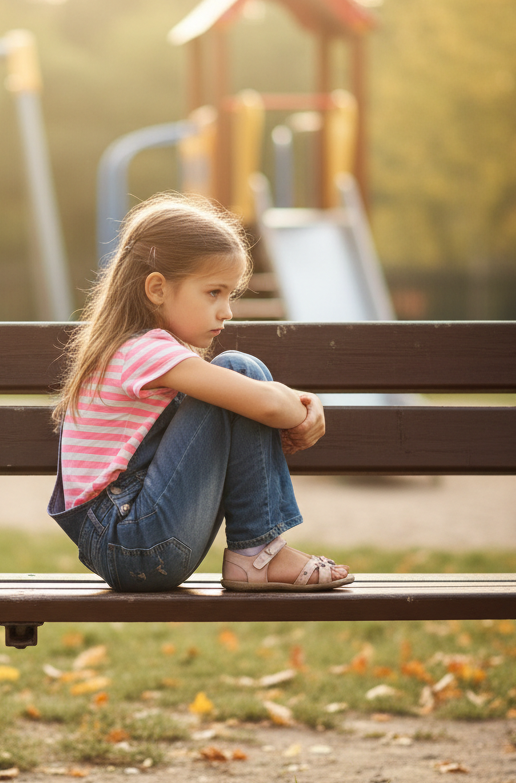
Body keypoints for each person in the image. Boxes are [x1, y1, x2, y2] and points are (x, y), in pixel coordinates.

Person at [48, 192, 353, 594]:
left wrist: (291, 401)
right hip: (133, 540)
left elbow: (259, 400)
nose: (226, 310)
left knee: (240, 380)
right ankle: (258, 551)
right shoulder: (143, 351)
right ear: (157, 289)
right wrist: (301, 407)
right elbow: (262, 402)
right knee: (238, 370)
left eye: (230, 295)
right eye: (214, 292)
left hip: (131, 542)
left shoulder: (135, 350)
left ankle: (257, 552)